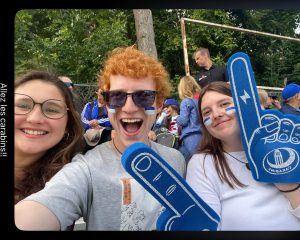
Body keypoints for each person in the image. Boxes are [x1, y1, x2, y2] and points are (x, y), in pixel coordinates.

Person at [15, 46, 186, 231]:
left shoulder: (176, 160)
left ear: (159, 104)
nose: (129, 108)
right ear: (106, 103)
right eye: (117, 96)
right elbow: (43, 207)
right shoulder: (86, 168)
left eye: (144, 96)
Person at [186, 81, 300, 230]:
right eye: (206, 112)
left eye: (224, 104)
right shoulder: (202, 164)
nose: (216, 114)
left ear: (245, 106)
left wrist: (289, 185)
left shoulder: (286, 143)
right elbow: (208, 226)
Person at [15, 71, 84, 204]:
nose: (35, 119)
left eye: (52, 110)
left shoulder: (72, 181)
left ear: (67, 126)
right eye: (23, 106)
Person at [176, 76, 202, 163]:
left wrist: (177, 118)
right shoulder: (200, 101)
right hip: (202, 135)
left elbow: (183, 121)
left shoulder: (186, 102)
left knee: (192, 163)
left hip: (190, 136)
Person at [81, 88, 112, 152]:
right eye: (102, 93)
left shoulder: (110, 106)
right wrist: (91, 124)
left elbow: (112, 119)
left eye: (105, 93)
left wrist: (98, 122)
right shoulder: (89, 105)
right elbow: (83, 119)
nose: (104, 95)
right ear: (97, 93)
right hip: (90, 133)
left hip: (104, 133)